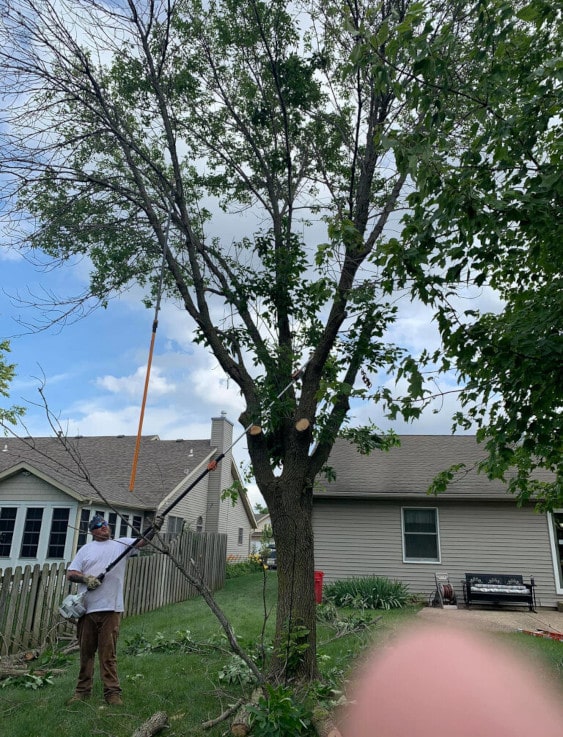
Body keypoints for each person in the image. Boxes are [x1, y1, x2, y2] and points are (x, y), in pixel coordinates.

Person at [66, 512, 163, 706]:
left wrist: (155, 528)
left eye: (105, 524)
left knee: (108, 653)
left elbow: (142, 541)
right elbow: (71, 573)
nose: (104, 527)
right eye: (99, 525)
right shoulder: (86, 550)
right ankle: (82, 691)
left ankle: (112, 693)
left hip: (111, 608)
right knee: (86, 653)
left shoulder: (121, 545)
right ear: (93, 531)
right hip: (87, 610)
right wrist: (86, 579)